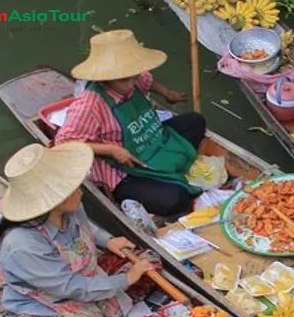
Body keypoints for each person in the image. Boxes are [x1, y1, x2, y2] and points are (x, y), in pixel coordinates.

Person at [0, 142, 157, 317]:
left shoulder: (70, 206)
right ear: (55, 201)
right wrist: (127, 279)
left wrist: (108, 241)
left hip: (84, 275)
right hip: (51, 300)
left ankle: (113, 313)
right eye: (73, 188)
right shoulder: (23, 244)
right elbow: (70, 287)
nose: (80, 190)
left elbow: (87, 228)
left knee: (149, 261)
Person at [55, 29, 204, 217]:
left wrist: (167, 93)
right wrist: (111, 150)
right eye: (125, 80)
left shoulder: (131, 75)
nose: (132, 84)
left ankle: (170, 166)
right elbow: (64, 143)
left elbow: (148, 81)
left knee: (195, 121)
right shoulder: (89, 104)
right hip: (125, 168)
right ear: (106, 77)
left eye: (135, 77)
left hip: (151, 139)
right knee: (176, 199)